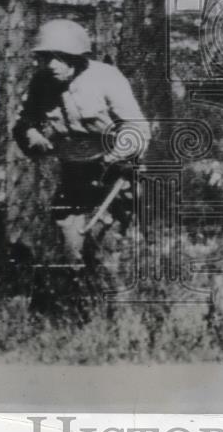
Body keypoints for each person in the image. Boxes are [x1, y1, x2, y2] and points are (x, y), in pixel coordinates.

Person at [12, 19, 150, 294]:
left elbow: (137, 128)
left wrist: (117, 157)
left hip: (114, 173)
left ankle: (123, 314)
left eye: (60, 58)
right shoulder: (42, 83)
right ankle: (82, 308)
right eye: (45, 58)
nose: (52, 65)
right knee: (70, 245)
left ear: (77, 58)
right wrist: (31, 135)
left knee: (109, 248)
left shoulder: (106, 78)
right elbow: (23, 121)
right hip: (74, 173)